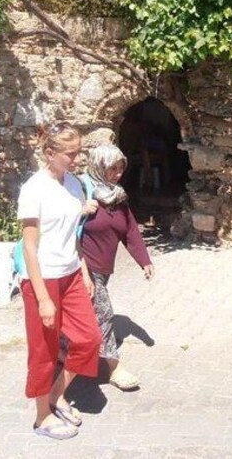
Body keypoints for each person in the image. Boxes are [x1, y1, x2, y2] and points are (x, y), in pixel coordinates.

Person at [17, 122, 102, 440]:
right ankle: (41, 417)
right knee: (44, 350)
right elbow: (29, 246)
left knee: (89, 339)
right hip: (43, 280)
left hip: (70, 276)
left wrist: (83, 269)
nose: (77, 159)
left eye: (79, 152)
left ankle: (56, 394)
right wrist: (42, 298)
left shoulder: (75, 185)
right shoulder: (33, 189)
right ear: (50, 153)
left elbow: (73, 234)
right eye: (71, 153)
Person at [80, 144, 155, 391]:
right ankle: (114, 368)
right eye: (113, 168)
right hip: (83, 267)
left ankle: (68, 355)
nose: (118, 173)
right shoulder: (81, 192)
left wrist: (144, 261)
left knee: (86, 315)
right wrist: (80, 211)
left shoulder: (117, 196)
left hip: (103, 269)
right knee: (104, 313)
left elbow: (130, 231)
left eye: (121, 168)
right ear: (99, 167)